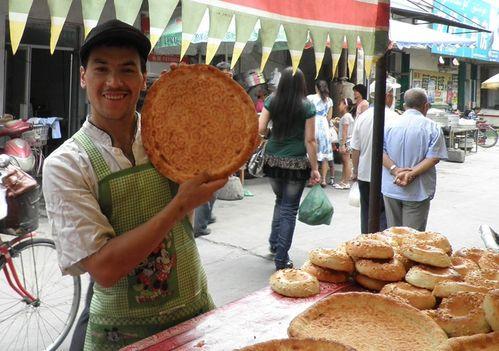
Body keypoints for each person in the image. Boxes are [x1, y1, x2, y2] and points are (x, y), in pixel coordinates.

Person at [42, 20, 227, 350]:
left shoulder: (171, 140)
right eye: (101, 69)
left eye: (127, 70)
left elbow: (224, 151)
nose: (114, 82)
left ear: (144, 80)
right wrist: (180, 206)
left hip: (193, 313)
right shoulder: (67, 164)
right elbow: (105, 267)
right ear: (83, 77)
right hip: (121, 335)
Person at [259, 67, 320, 270]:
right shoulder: (307, 106)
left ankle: (275, 244)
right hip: (296, 163)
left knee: (280, 201)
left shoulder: (272, 101)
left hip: (272, 161)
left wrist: (271, 135)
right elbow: (310, 140)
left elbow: (260, 129)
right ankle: (281, 258)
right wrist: (315, 168)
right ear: (302, 84)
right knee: (289, 209)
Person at [382, 88, 448, 231]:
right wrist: (410, 174)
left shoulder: (389, 125)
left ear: (404, 106)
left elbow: (380, 152)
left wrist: (395, 170)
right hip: (417, 191)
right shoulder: (432, 127)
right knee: (412, 240)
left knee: (393, 235)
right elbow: (434, 157)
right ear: (426, 106)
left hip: (391, 187)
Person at [350, 81, 399, 234]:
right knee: (384, 217)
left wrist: (355, 171)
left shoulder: (362, 117)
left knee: (366, 214)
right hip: (386, 175)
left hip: (365, 174)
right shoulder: (395, 118)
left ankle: (365, 246)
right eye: (392, 94)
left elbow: (355, 149)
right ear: (388, 96)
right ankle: (381, 250)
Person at [193, 61, 234, 237]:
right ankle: (199, 226)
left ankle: (206, 217)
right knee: (208, 186)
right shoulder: (212, 92)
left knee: (215, 187)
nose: (228, 77)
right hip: (208, 146)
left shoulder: (229, 93)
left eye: (230, 75)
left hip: (219, 146)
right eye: (225, 74)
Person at [307, 80, 334, 187]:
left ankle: (311, 179)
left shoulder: (310, 98)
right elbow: (329, 117)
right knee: (324, 155)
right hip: (324, 127)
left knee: (312, 152)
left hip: (313, 124)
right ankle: (323, 180)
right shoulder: (329, 100)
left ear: (316, 88)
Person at [333, 98, 354, 190]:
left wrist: (342, 144)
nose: (339, 106)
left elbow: (345, 132)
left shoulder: (346, 117)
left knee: (346, 162)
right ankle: (343, 181)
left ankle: (346, 182)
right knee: (345, 162)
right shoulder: (347, 116)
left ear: (345, 105)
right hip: (347, 142)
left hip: (346, 142)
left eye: (340, 104)